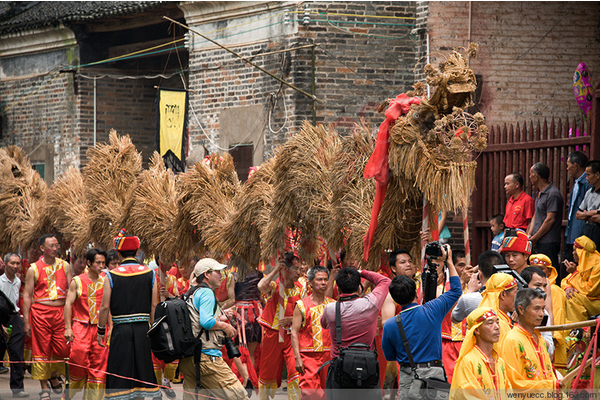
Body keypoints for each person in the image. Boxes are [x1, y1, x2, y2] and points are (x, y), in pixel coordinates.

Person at [381, 244, 461, 400]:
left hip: (407, 376)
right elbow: (456, 290)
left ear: (395, 299)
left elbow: (390, 356)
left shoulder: (390, 324)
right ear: (415, 291)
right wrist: (449, 261)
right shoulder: (432, 310)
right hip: (434, 375)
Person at [97, 230, 161, 400]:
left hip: (120, 330)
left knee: (121, 369)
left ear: (118, 252)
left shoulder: (110, 275)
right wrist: (153, 329)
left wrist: (101, 330)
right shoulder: (150, 273)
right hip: (143, 330)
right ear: (137, 251)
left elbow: (104, 307)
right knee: (141, 369)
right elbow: (155, 305)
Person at [179, 258, 247, 400]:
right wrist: (225, 325)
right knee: (239, 396)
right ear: (207, 275)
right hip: (207, 358)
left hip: (188, 359)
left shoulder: (191, 292)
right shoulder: (206, 292)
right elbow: (206, 321)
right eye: (217, 271)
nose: (221, 274)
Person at [321, 267, 391, 399]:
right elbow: (385, 281)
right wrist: (362, 272)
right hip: (367, 368)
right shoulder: (371, 304)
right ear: (359, 288)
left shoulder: (330, 309)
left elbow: (323, 324)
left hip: (339, 369)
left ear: (339, 289)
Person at [22, 233, 72, 400]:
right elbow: (27, 295)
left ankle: (53, 374)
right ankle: (44, 386)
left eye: (57, 245)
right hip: (41, 313)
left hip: (61, 313)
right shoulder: (33, 268)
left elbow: (71, 293)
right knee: (41, 350)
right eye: (51, 246)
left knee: (63, 348)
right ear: (43, 248)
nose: (55, 248)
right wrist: (27, 321)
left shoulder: (65, 266)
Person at [257, 252, 305, 399]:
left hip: (292, 335)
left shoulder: (301, 288)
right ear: (286, 269)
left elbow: (305, 311)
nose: (299, 272)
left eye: (300, 269)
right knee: (267, 371)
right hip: (273, 335)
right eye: (295, 269)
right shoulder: (274, 286)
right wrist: (276, 269)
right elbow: (260, 286)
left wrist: (292, 318)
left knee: (295, 370)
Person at [64, 248, 108, 400]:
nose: (101, 265)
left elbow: (109, 307)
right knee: (78, 358)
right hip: (81, 327)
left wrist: (111, 328)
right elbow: (68, 303)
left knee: (99, 365)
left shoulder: (107, 280)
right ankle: (70, 392)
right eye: (98, 262)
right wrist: (68, 328)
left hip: (101, 329)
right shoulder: (77, 281)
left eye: (103, 262)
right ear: (89, 263)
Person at [499, 289, 560, 395]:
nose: (542, 314)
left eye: (543, 309)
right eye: (536, 309)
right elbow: (513, 383)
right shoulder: (512, 340)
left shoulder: (539, 338)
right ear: (521, 310)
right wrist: (550, 386)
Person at [291, 265, 334, 400]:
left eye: (325, 280)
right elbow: (294, 332)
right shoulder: (301, 305)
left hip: (329, 356)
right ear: (310, 282)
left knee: (328, 393)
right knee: (311, 393)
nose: (323, 283)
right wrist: (297, 358)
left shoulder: (333, 305)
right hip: (308, 357)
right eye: (319, 280)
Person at [449, 307, 510, 400]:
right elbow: (466, 396)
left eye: (497, 322)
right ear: (477, 330)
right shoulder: (468, 362)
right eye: (490, 323)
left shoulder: (499, 362)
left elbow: (508, 393)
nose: (497, 327)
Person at [529, 254, 568, 373]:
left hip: (549, 340)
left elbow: (556, 314)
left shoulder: (554, 290)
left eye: (542, 269)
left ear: (550, 270)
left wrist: (552, 339)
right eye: (535, 268)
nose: (542, 288)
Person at [0, 253, 29, 398]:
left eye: (18, 263)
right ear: (5, 264)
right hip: (1, 318)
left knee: (17, 353)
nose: (15, 266)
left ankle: (18, 389)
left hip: (15, 317)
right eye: (12, 263)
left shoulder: (18, 281)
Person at [527, 162, 563, 271]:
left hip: (548, 241)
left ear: (536, 176)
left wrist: (535, 237)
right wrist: (529, 234)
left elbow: (550, 219)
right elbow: (535, 215)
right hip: (537, 240)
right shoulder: (539, 192)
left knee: (549, 271)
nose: (529, 177)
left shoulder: (552, 193)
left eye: (530, 174)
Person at [452, 250, 504, 323]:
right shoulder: (508, 295)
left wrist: (470, 291)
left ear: (479, 274)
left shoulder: (468, 299)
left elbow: (455, 318)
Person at [564, 151, 591, 280]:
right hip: (572, 230)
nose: (567, 168)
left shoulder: (586, 182)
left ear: (576, 165)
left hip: (580, 230)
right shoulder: (576, 182)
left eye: (568, 164)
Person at [561, 235, 600, 323]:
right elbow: (564, 281)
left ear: (582, 252)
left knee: (572, 297)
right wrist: (568, 287)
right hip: (588, 300)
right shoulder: (584, 262)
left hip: (596, 301)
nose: (573, 253)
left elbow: (590, 290)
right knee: (563, 293)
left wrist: (574, 273)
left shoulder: (598, 266)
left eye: (575, 250)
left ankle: (579, 330)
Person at [518, 267, 555, 356]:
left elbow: (550, 349)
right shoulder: (512, 310)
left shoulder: (543, 313)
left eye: (544, 286)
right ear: (524, 285)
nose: (542, 290)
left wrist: (534, 333)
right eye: (537, 286)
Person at [477, 273, 518, 344]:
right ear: (503, 294)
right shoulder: (497, 323)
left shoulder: (488, 314)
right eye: (515, 292)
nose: (517, 297)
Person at [576, 159, 600, 250]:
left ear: (597, 175)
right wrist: (594, 212)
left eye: (588, 175)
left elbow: (598, 218)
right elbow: (578, 215)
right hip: (587, 230)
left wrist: (585, 214)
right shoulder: (589, 192)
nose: (586, 178)